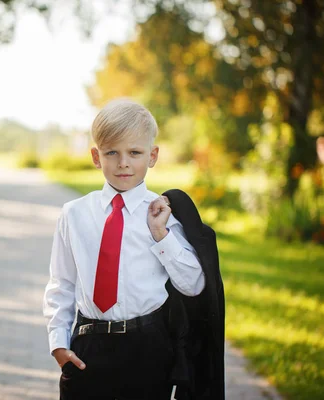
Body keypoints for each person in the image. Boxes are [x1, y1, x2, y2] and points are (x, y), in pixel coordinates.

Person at [42, 98, 206, 399]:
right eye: (112, 152)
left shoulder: (162, 214)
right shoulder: (74, 214)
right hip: (87, 346)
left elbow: (194, 285)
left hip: (147, 348)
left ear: (152, 155)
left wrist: (161, 235)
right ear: (96, 156)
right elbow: (61, 283)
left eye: (135, 152)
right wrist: (58, 343)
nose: (123, 163)